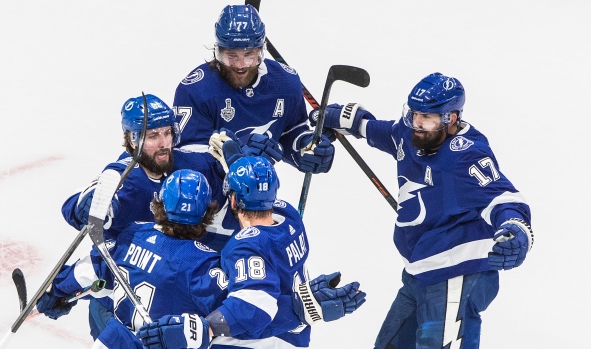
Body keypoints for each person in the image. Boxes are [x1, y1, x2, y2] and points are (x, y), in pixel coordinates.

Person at [316, 72, 534, 348]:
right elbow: (383, 133)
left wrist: (516, 230)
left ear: (451, 118)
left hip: (456, 274)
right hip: (421, 272)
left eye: (427, 118)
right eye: (415, 113)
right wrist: (345, 120)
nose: (417, 123)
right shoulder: (412, 133)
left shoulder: (466, 155)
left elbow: (503, 199)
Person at [38, 169, 365, 349]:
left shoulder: (127, 237)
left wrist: (55, 294)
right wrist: (299, 309)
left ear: (158, 205)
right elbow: (249, 315)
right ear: (208, 214)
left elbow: (86, 271)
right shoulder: (207, 265)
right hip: (156, 343)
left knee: (102, 303)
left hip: (115, 342)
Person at [136, 156, 367, 349]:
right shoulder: (289, 216)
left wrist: (206, 329)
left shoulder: (245, 248)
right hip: (298, 334)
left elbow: (252, 308)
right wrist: (239, 160)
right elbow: (260, 192)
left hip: (272, 336)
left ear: (234, 200)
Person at [60, 94, 224, 340]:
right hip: (119, 307)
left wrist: (238, 160)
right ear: (131, 140)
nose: (163, 143)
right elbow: (79, 206)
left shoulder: (190, 165)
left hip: (176, 297)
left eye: (167, 133)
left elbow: (231, 184)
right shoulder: (125, 179)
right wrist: (84, 207)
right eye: (152, 136)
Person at [172, 4, 334, 175]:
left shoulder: (286, 83)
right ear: (218, 51)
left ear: (260, 52)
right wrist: (234, 156)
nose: (241, 66)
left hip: (259, 192)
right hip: (208, 197)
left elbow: (290, 132)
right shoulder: (196, 91)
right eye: (232, 56)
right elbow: (184, 161)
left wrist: (304, 147)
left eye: (249, 55)